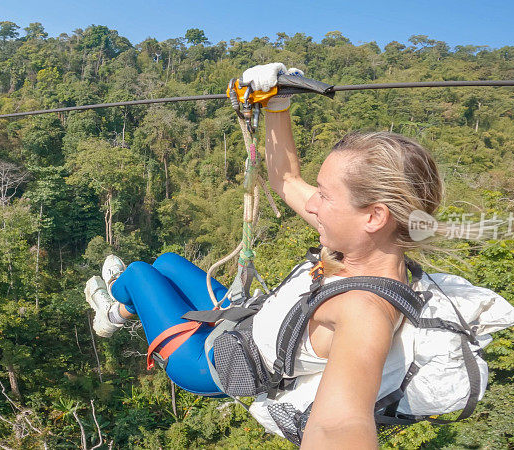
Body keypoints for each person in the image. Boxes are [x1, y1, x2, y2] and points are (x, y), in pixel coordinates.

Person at [84, 63, 443, 448]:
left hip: (207, 365)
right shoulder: (366, 243)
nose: (313, 204)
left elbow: (339, 427)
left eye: (324, 194)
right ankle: (124, 305)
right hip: (244, 323)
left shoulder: (364, 311)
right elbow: (285, 180)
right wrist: (276, 106)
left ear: (374, 216)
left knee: (139, 274)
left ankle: (113, 312)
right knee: (168, 262)